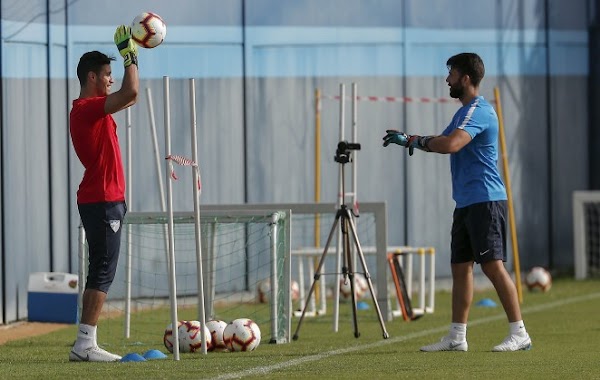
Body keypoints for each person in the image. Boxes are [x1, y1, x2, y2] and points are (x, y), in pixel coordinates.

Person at [382, 52, 531, 352]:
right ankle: (456, 337)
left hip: (485, 201)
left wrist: (418, 141)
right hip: (466, 202)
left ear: (465, 78)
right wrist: (412, 139)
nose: (446, 79)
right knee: (460, 267)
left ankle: (520, 333)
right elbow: (439, 140)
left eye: (450, 73)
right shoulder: (463, 113)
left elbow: (450, 144)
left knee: (492, 267)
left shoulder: (480, 110)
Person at [68, 25, 139, 362]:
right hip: (101, 200)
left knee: (101, 267)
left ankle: (86, 342)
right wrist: (130, 56)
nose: (112, 79)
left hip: (105, 199)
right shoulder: (85, 109)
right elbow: (131, 92)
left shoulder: (94, 109)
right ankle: (85, 344)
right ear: (93, 77)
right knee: (102, 270)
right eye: (108, 74)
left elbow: (127, 95)